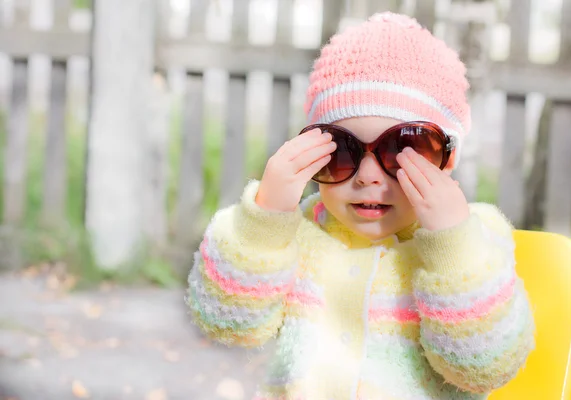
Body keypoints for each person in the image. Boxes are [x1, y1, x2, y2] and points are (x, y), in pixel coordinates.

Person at [186, 11, 535, 399]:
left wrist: (452, 248)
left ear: (446, 159)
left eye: (401, 148)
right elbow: (226, 323)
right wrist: (266, 219)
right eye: (341, 149)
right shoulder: (296, 234)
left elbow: (486, 368)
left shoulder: (476, 240)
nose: (368, 175)